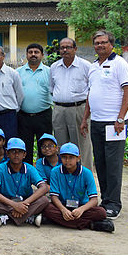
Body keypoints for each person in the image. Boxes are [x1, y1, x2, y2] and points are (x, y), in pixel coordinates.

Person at [80, 30, 128, 220]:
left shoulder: (120, 64)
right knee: (100, 163)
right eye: (96, 43)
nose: (100, 46)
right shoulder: (93, 66)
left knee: (113, 164)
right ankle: (105, 199)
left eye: (103, 42)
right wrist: (85, 118)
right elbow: (90, 94)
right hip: (97, 122)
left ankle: (114, 204)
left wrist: (120, 119)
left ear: (111, 43)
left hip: (114, 124)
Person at [44, 143, 113, 232]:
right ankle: (90, 224)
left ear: (78, 158)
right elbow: (54, 196)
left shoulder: (86, 173)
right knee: (46, 208)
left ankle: (57, 221)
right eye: (64, 157)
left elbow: (94, 200)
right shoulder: (55, 171)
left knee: (101, 212)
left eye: (71, 157)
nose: (67, 160)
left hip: (81, 206)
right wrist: (63, 210)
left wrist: (81, 210)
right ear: (60, 157)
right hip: (62, 205)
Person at [50, 37, 93, 171]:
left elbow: (91, 90)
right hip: (59, 109)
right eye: (62, 47)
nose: (65, 50)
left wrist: (86, 115)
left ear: (75, 49)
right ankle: (64, 177)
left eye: (68, 47)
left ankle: (84, 178)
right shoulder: (54, 67)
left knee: (82, 144)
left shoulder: (85, 66)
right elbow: (52, 89)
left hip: (79, 109)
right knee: (61, 145)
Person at [0, 137, 49, 227]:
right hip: (7, 201)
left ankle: (6, 217)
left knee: (44, 200)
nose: (16, 155)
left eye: (19, 152)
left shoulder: (29, 168)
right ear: (7, 153)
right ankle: (28, 217)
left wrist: (23, 204)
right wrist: (14, 205)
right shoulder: (0, 168)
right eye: (13, 151)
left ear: (24, 154)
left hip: (25, 201)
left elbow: (44, 187)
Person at [17, 43, 53, 163]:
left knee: (46, 147)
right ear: (26, 55)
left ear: (42, 55)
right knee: (25, 147)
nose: (33, 54)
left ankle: (45, 177)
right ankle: (27, 176)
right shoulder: (18, 72)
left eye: (36, 52)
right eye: (30, 52)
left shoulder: (49, 72)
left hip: (44, 115)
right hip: (23, 116)